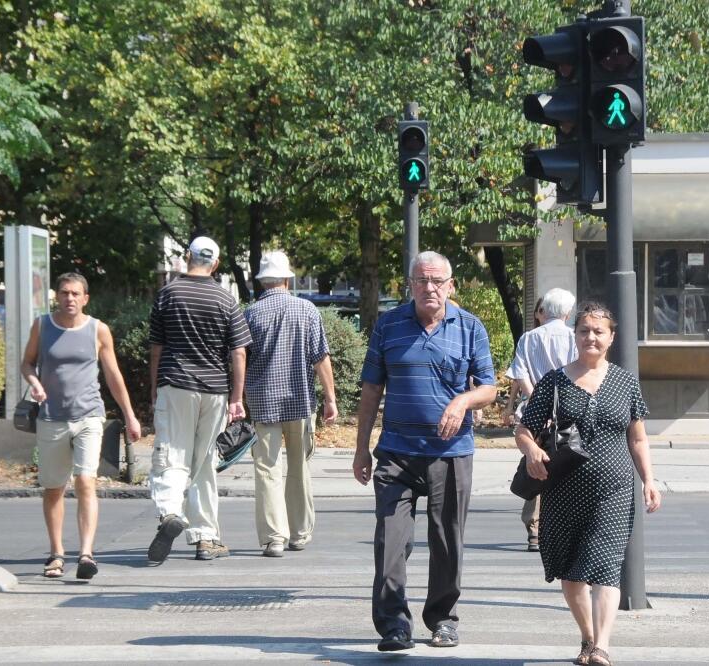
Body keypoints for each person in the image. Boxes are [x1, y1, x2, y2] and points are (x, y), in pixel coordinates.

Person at [352, 251, 496, 652]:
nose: (429, 288)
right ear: (409, 285)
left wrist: (462, 402)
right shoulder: (388, 325)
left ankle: (443, 620)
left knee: (447, 540)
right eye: (421, 281)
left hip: (450, 454)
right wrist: (361, 449)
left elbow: (489, 386)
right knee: (391, 543)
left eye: (437, 281)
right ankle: (394, 625)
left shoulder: (470, 327)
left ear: (451, 285)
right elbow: (370, 391)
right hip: (396, 453)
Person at [514, 301, 661, 666]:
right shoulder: (555, 381)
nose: (590, 337)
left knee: (605, 565)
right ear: (575, 335)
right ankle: (587, 636)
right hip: (563, 490)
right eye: (584, 331)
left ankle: (602, 648)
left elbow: (638, 438)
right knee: (572, 574)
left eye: (599, 331)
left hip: (614, 489)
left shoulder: (625, 381)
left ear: (611, 337)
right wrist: (531, 450)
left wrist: (649, 480)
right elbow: (523, 429)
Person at [21, 272, 142, 580]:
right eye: (64, 293)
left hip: (89, 415)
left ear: (85, 298)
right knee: (53, 488)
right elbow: (27, 362)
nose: (70, 298)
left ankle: (86, 553)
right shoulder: (42, 326)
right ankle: (57, 553)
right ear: (56, 296)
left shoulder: (98, 330)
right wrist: (34, 382)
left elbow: (113, 375)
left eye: (76, 293)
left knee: (86, 481)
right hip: (51, 418)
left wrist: (129, 415)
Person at [147, 236, 252, 564]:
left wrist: (154, 387)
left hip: (175, 384)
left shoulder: (168, 294)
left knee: (172, 454)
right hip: (215, 390)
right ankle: (206, 538)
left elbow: (156, 348)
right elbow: (238, 351)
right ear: (216, 264)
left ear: (187, 257)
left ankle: (169, 514)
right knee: (205, 461)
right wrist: (237, 398)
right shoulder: (226, 299)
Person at [244, 250, 338, 558]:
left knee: (267, 469)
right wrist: (330, 398)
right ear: (287, 279)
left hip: (262, 402)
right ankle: (299, 533)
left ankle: (275, 538)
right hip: (299, 400)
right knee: (299, 466)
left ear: (262, 282)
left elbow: (242, 359)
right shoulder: (306, 310)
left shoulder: (251, 314)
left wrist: (236, 399)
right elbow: (320, 358)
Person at [504, 289, 578, 553]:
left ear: (544, 310)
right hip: (567, 415)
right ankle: (564, 527)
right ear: (568, 312)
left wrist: (537, 403)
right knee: (568, 468)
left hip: (534, 416)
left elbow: (520, 373)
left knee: (535, 466)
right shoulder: (573, 338)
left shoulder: (529, 338)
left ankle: (534, 529)